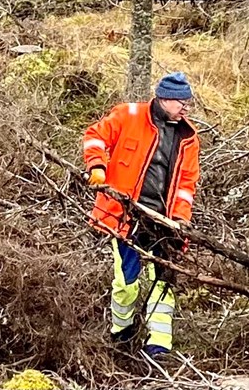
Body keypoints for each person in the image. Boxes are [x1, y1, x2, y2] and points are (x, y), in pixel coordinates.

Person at [82, 72, 200, 360]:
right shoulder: (128, 115)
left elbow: (186, 184)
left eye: (188, 102)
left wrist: (180, 219)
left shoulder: (188, 138)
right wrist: (97, 166)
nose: (186, 108)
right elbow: (94, 136)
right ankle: (121, 334)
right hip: (125, 216)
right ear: (164, 98)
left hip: (165, 221)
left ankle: (159, 344)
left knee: (164, 279)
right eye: (181, 102)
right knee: (127, 280)